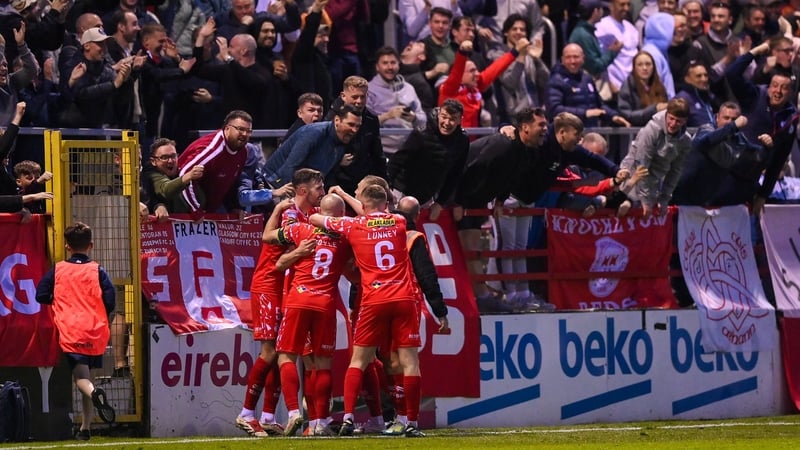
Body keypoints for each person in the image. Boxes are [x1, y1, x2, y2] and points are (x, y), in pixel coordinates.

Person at [309, 185, 426, 438]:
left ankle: (348, 417)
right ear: (386, 204)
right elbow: (377, 213)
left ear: (363, 205)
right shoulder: (398, 222)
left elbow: (316, 219)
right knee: (410, 362)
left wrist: (338, 200)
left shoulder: (354, 225)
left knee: (359, 360)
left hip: (374, 298)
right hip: (403, 296)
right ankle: (412, 422)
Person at [262, 193, 353, 437]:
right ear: (341, 215)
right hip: (325, 303)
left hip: (299, 299)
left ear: (320, 211)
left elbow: (267, 236)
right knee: (322, 364)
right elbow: (353, 271)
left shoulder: (302, 230)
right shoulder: (347, 238)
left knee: (286, 356)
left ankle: (293, 411)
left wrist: (277, 210)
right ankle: (320, 422)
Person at [451, 107, 548, 312]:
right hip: (461, 196)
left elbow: (510, 176)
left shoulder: (525, 150)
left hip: (477, 199)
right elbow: (469, 168)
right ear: (525, 128)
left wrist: (500, 201)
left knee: (475, 249)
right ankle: (481, 298)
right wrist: (457, 201)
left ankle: (482, 296)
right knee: (470, 249)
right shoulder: (502, 144)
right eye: (541, 125)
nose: (545, 129)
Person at [35, 222, 117, 440]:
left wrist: (60, 300)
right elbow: (110, 299)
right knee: (89, 378)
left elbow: (40, 294)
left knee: (81, 378)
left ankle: (94, 395)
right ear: (91, 245)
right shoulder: (97, 270)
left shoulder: (59, 270)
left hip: (72, 329)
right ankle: (85, 428)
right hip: (96, 329)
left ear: (67, 246)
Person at [387, 99, 469, 220]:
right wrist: (387, 190)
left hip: (427, 199)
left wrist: (440, 203)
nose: (447, 123)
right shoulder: (421, 133)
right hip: (401, 192)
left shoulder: (462, 140)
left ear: (460, 120)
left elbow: (455, 174)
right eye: (444, 117)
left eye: (452, 119)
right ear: (439, 114)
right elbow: (397, 161)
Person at [620, 98, 692, 218]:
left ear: (685, 121)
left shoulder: (685, 140)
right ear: (666, 114)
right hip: (632, 178)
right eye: (671, 118)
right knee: (626, 208)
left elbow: (676, 171)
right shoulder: (651, 130)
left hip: (654, 183)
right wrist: (644, 199)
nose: (673, 124)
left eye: (678, 121)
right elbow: (641, 165)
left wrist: (665, 198)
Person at [264, 103, 362, 188]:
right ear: (337, 120)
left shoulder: (342, 140)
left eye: (358, 126)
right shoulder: (314, 133)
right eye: (350, 124)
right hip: (274, 184)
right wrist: (292, 198)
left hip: (303, 188)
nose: (354, 130)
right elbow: (291, 167)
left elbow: (329, 175)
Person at [176, 110, 253, 217]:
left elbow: (231, 183)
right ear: (227, 128)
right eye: (240, 129)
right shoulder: (212, 148)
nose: (244, 134)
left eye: (248, 131)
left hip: (212, 207)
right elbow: (184, 174)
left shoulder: (243, 152)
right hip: (185, 204)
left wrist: (233, 207)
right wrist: (195, 210)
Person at [439, 37, 528, 128]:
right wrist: (462, 53)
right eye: (472, 71)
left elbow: (496, 68)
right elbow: (457, 71)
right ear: (461, 76)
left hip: (472, 136)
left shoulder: (476, 86)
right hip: (451, 136)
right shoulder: (449, 90)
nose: (477, 74)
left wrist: (515, 51)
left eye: (476, 70)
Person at [324, 75, 387, 197]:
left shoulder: (371, 119)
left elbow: (377, 154)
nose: (359, 101)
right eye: (354, 97)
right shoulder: (330, 119)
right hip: (336, 183)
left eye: (362, 97)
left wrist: (385, 184)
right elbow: (321, 153)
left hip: (363, 183)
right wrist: (336, 159)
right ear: (343, 96)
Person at [546, 43, 631, 128]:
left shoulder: (587, 78)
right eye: (568, 57)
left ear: (583, 59)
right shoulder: (556, 81)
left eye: (576, 57)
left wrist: (613, 116)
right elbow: (554, 110)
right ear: (562, 60)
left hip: (589, 131)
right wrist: (585, 113)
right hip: (567, 132)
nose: (572, 61)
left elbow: (599, 105)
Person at [367, 46, 426, 155]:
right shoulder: (369, 90)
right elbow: (364, 125)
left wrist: (414, 118)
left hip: (409, 149)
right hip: (381, 151)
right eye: (385, 63)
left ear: (399, 65)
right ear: (377, 67)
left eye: (393, 62)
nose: (390, 67)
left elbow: (423, 120)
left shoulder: (409, 88)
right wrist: (388, 116)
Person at [140, 138, 204, 220]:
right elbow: (166, 189)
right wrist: (188, 176)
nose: (170, 161)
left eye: (173, 156)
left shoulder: (183, 171)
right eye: (164, 157)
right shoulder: (151, 174)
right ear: (153, 161)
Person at [594, 0, 640, 94]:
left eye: (628, 4)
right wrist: (610, 83)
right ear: (611, 6)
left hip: (632, 85)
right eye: (622, 5)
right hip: (614, 86)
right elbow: (601, 58)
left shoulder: (631, 28)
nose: (626, 8)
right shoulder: (602, 26)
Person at [617, 51, 668, 127]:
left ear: (653, 67)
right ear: (634, 68)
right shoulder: (627, 86)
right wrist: (653, 110)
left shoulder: (659, 85)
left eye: (648, 64)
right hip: (635, 131)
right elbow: (626, 114)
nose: (644, 68)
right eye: (640, 65)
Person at [674, 61, 718, 128]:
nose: (704, 79)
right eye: (698, 76)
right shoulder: (682, 99)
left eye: (705, 75)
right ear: (687, 79)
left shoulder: (708, 95)